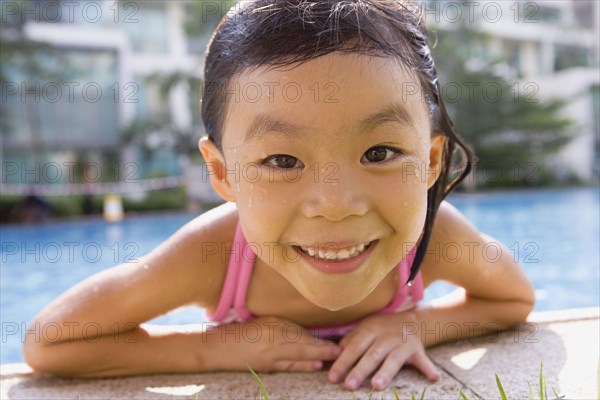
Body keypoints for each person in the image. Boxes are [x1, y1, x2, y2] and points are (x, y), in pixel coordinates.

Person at [23, 0, 535, 391]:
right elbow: (50, 341)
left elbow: (513, 297)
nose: (335, 204)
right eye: (282, 161)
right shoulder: (216, 255)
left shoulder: (433, 234)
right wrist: (212, 350)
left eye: (379, 153)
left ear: (428, 162)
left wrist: (420, 326)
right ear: (223, 175)